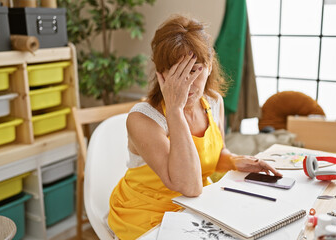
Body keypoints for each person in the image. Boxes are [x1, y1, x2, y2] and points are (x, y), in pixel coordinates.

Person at [108, 14, 282, 239]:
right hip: (145, 212)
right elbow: (189, 185)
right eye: (176, 72)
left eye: (193, 70)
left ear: (209, 66)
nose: (186, 84)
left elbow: (215, 155)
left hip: (195, 205)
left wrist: (236, 161)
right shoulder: (143, 119)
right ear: (161, 74)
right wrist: (175, 110)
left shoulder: (213, 101)